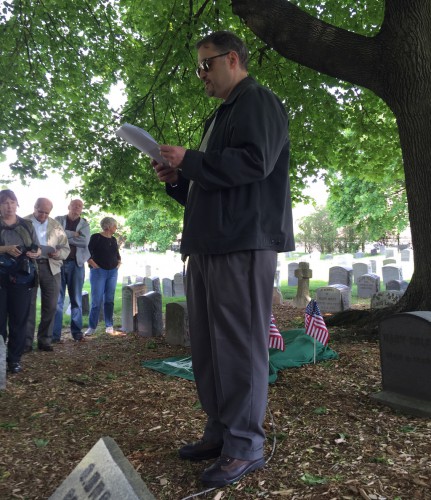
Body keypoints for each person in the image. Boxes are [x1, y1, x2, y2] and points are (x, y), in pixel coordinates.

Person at [153, 31, 294, 487]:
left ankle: (245, 445)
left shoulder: (258, 101)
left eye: (205, 65)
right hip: (211, 243)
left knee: (237, 346)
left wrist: (192, 160)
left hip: (242, 245)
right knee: (210, 348)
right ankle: (220, 429)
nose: (202, 75)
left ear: (232, 59)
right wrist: (179, 178)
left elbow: (255, 163)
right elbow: (215, 183)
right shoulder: (221, 115)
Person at [0, 189, 41, 373]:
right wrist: (5, 249)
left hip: (22, 278)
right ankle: (1, 358)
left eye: (12, 202)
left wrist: (36, 252)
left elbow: (37, 246)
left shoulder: (26, 225)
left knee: (19, 320)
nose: (9, 206)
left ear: (17, 204)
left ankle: (14, 359)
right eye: (5, 203)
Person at [24, 198, 70, 352]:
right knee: (28, 306)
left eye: (46, 212)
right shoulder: (24, 222)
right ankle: (26, 342)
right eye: (40, 211)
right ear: (34, 208)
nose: (43, 215)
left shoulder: (55, 226)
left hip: (51, 267)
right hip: (29, 267)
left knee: (51, 305)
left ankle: (45, 340)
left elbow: (66, 248)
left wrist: (58, 253)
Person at [53, 199, 90, 342]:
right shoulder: (58, 219)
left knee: (76, 300)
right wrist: (74, 234)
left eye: (80, 206)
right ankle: (55, 335)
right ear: (68, 206)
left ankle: (77, 333)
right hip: (59, 263)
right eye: (74, 205)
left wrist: (65, 236)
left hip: (76, 264)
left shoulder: (85, 223)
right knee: (58, 300)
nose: (77, 208)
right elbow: (55, 237)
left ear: (82, 209)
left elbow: (84, 242)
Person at [84, 217, 121, 336]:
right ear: (109, 226)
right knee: (96, 301)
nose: (116, 228)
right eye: (115, 225)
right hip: (99, 272)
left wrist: (118, 263)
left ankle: (109, 325)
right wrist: (95, 266)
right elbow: (87, 253)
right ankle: (92, 327)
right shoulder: (96, 237)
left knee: (109, 300)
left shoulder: (114, 239)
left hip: (112, 273)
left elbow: (117, 254)